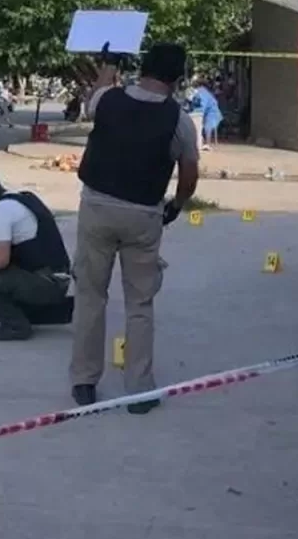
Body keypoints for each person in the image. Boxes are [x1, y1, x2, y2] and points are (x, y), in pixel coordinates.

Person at [70, 43, 200, 414]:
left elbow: (94, 97)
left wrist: (109, 64)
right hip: (143, 214)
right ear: (178, 78)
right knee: (139, 303)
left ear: (141, 67)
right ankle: (139, 390)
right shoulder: (179, 120)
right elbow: (189, 175)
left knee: (90, 295)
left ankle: (84, 380)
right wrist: (176, 205)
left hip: (96, 206)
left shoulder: (108, 100)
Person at [0, 171, 74, 341]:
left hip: (46, 284)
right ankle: (47, 311)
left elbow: (0, 261)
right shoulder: (23, 199)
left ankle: (15, 326)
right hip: (58, 278)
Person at [189, 80, 223, 150]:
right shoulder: (199, 93)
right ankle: (201, 142)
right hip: (205, 113)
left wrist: (198, 112)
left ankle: (208, 144)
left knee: (208, 126)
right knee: (200, 125)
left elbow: (203, 105)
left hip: (212, 112)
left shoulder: (203, 93)